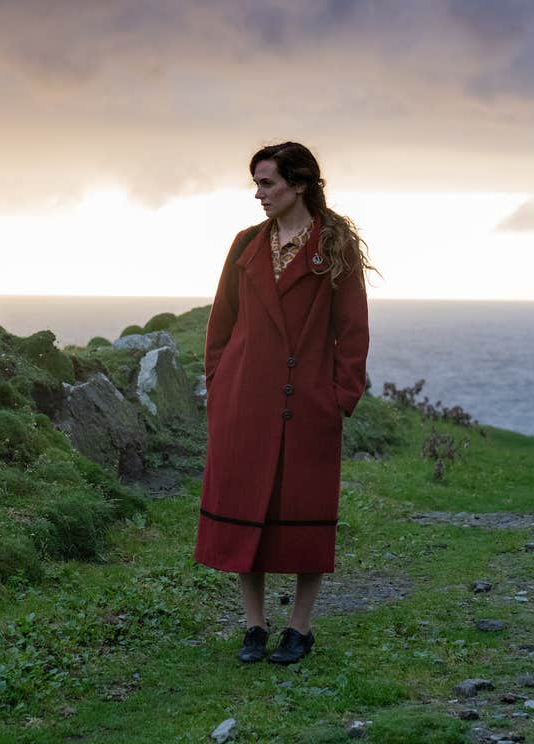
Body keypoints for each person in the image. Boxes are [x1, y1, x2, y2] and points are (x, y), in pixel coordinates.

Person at [194, 142, 372, 664]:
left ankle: (299, 628)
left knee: (304, 512)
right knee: (245, 506)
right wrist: (218, 383)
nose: (259, 194)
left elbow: (353, 328)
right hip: (243, 400)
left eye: (267, 183)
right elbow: (221, 321)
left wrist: (339, 397)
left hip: (306, 401)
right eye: (255, 184)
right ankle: (254, 625)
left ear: (299, 184)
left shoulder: (334, 246)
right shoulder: (246, 244)